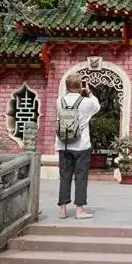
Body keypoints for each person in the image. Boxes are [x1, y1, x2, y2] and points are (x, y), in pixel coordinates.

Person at [54, 73, 101, 220]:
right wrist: (89, 93)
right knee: (81, 177)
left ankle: (62, 209)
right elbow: (97, 106)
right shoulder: (87, 102)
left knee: (64, 177)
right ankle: (79, 210)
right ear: (80, 86)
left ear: (67, 86)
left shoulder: (59, 101)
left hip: (64, 144)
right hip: (81, 145)